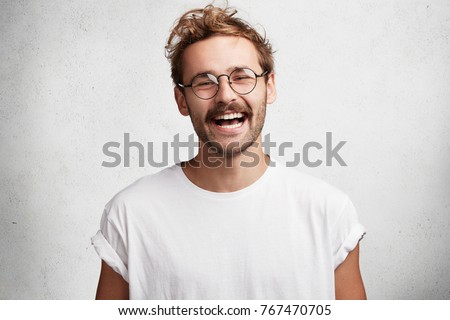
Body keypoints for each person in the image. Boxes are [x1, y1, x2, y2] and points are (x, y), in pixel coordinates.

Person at [92, 4, 367, 300]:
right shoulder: (130, 214)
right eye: (204, 82)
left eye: (242, 76)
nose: (226, 95)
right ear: (181, 100)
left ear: (269, 86)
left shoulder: (328, 211)